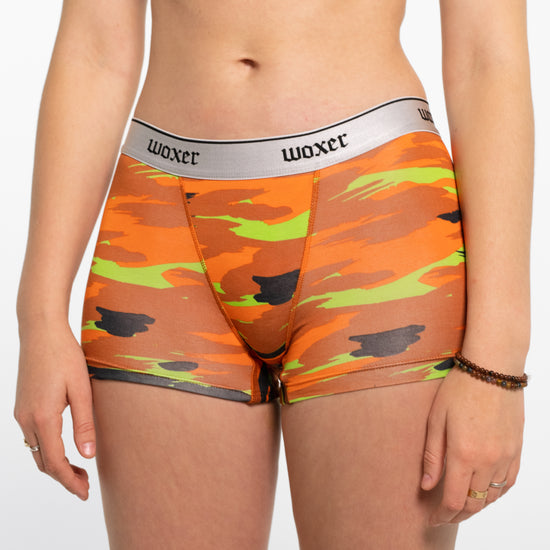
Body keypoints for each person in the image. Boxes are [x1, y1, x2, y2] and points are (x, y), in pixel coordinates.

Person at [14, 0, 533, 548]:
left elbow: (486, 55)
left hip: (372, 215)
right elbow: (95, 48)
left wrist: (495, 363)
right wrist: (39, 316)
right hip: (159, 225)